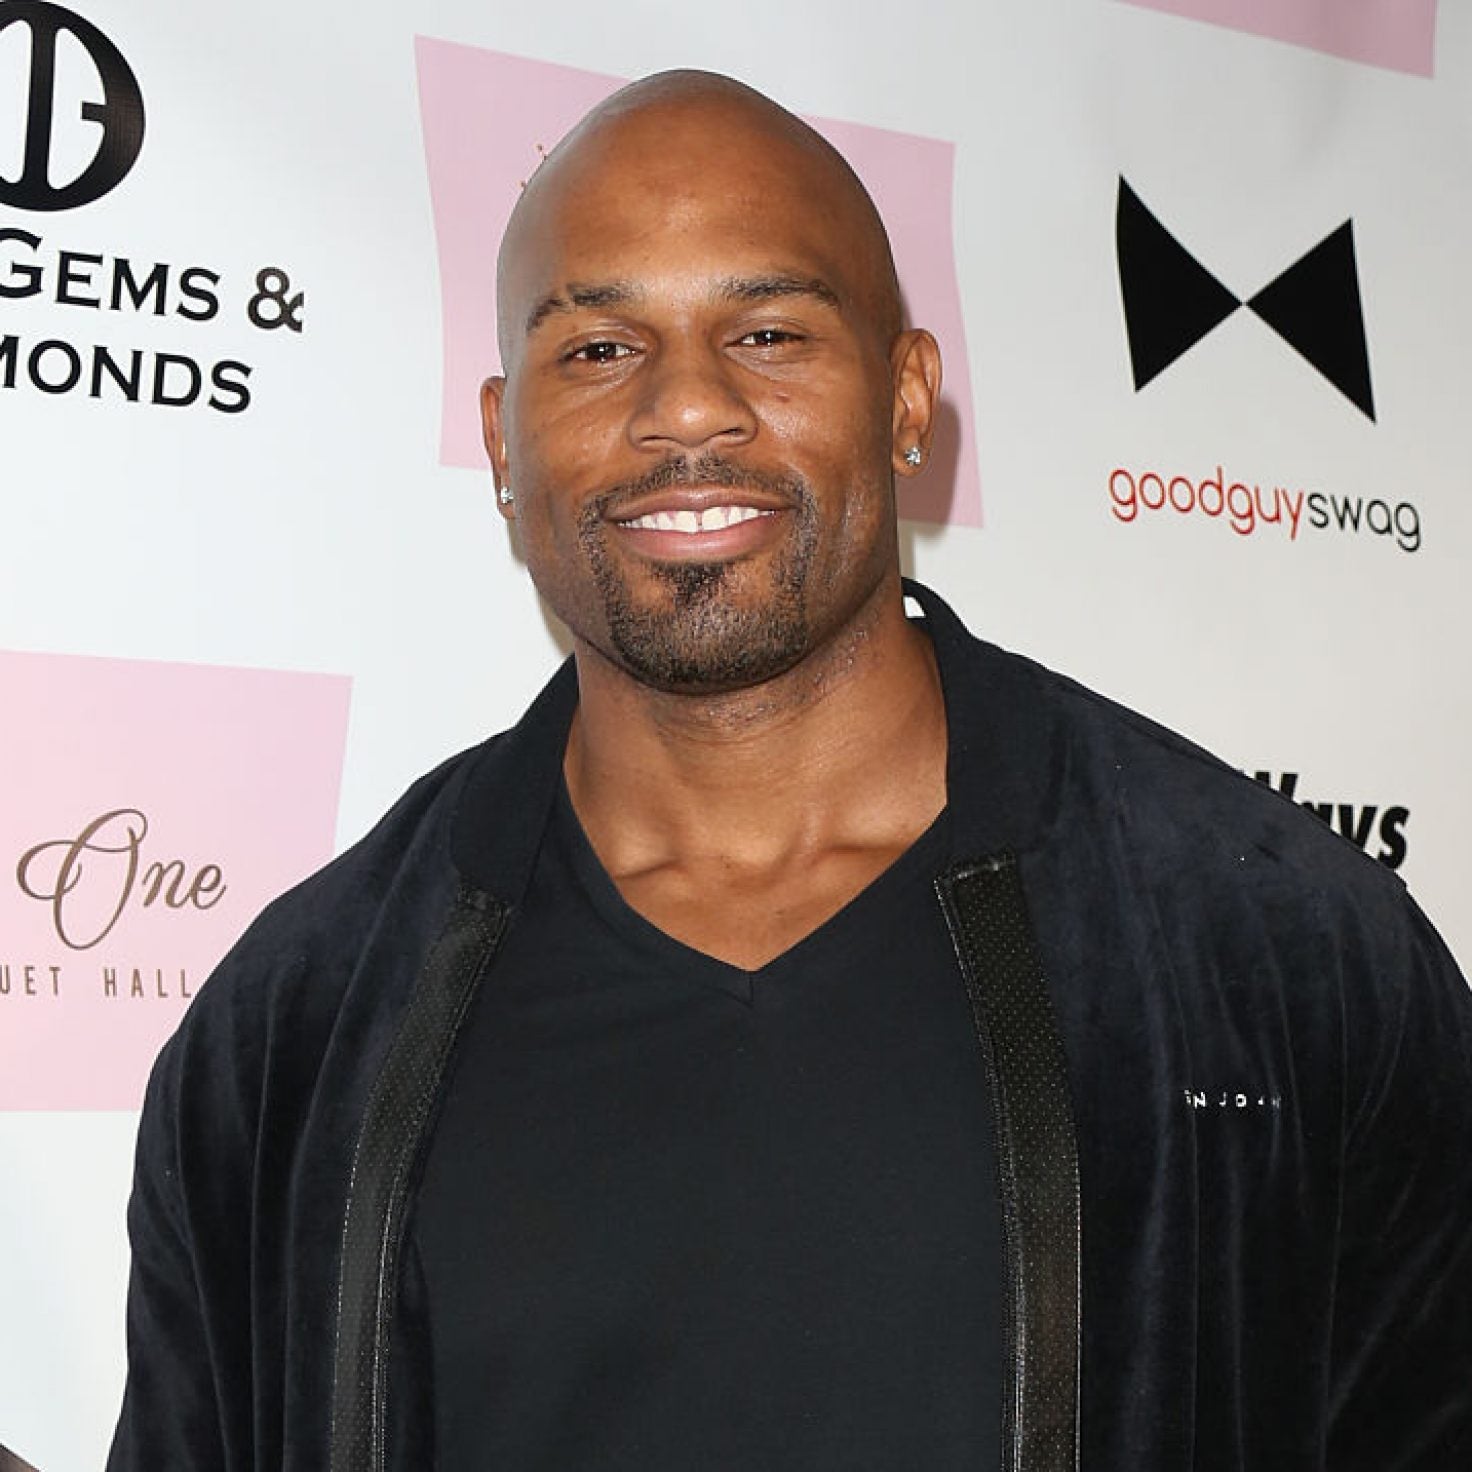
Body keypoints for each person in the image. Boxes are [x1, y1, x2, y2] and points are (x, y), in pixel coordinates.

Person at [108, 71, 1472, 1471]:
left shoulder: (1282, 962)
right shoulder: (293, 1035)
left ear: (907, 396)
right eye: (598, 350)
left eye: (767, 334)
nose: (687, 409)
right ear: (503, 441)